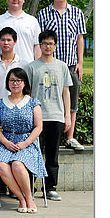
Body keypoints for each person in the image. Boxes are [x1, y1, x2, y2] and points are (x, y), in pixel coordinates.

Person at [36, 0, 87, 151]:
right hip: (49, 65)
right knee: (47, 99)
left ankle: (70, 137)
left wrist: (80, 62)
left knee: (72, 100)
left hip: (71, 64)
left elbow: (80, 39)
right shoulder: (43, 14)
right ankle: (43, 137)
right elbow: (40, 41)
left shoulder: (77, 13)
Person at [0, 67, 47, 213]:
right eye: (12, 80)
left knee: (17, 164)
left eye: (18, 80)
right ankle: (21, 199)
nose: (15, 83)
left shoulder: (33, 102)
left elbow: (38, 127)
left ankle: (29, 198)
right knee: (1, 165)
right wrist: (5, 142)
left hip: (27, 143)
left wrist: (25, 143)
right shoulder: (0, 103)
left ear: (24, 83)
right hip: (6, 142)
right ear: (7, 83)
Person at [25, 30, 73, 201]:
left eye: (51, 44)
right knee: (33, 154)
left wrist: (67, 115)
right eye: (44, 43)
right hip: (36, 118)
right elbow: (27, 93)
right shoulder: (31, 67)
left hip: (56, 116)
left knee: (52, 154)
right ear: (40, 45)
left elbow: (66, 92)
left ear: (55, 46)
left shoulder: (62, 66)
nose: (47, 47)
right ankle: (29, 187)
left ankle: (50, 187)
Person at [0, 27, 31, 155]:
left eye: (9, 40)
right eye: (3, 40)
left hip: (17, 112)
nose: (6, 43)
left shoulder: (24, 64)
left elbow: (27, 89)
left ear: (15, 42)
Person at [0, 0, 41, 64]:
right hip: (4, 67)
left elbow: (37, 46)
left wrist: (37, 66)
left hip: (27, 67)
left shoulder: (32, 21)